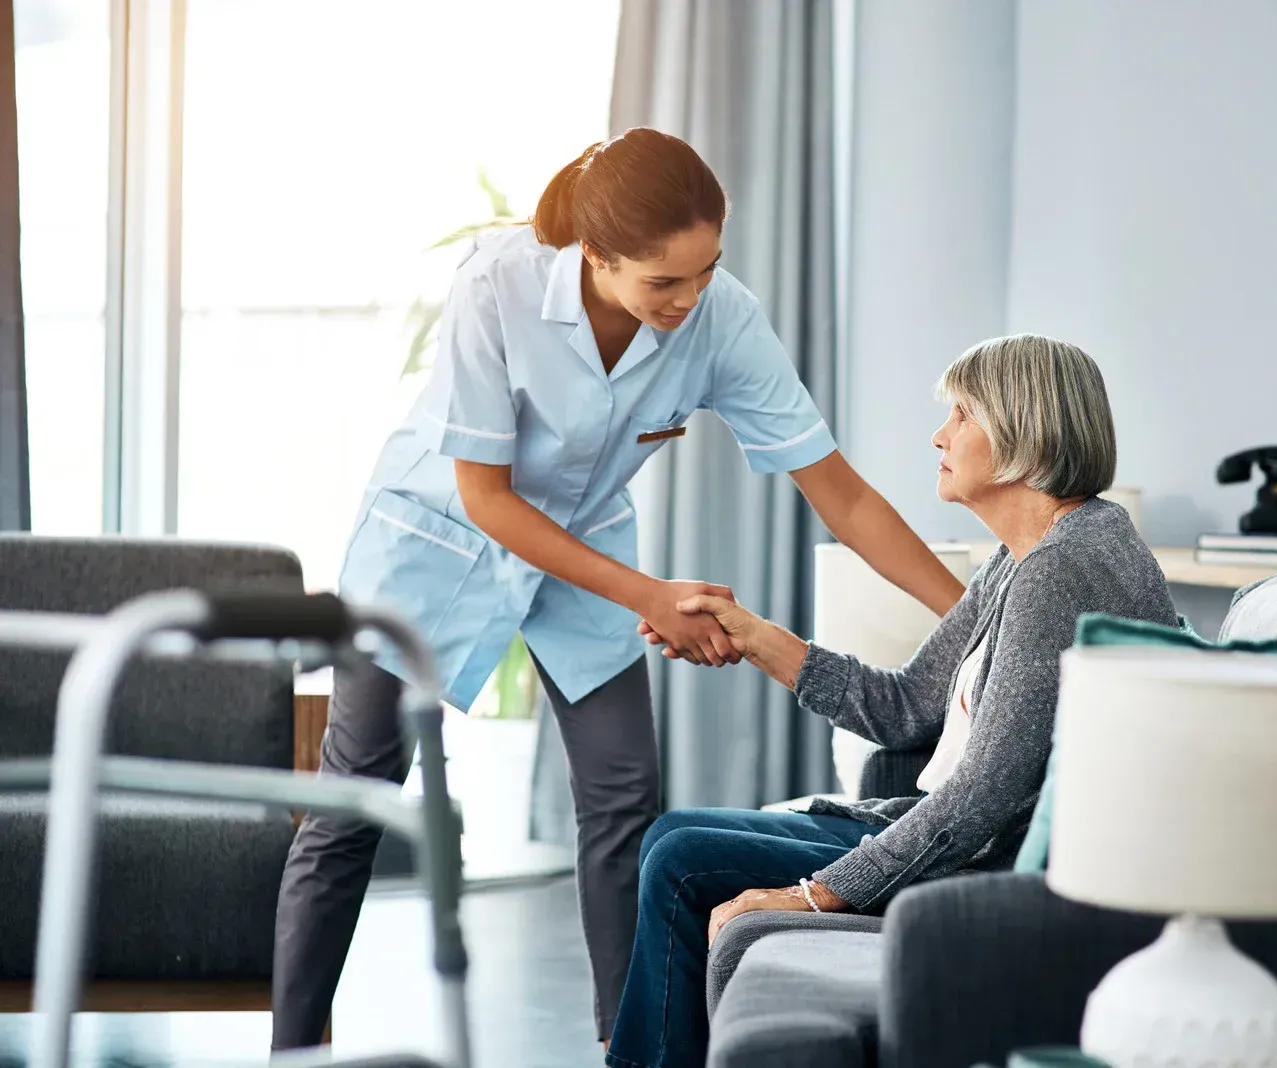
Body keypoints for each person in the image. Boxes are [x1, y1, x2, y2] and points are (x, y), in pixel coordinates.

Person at [270, 127, 967, 1051]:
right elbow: (487, 495)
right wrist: (649, 595)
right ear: (594, 257)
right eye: (664, 283)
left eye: (707, 270)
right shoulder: (498, 283)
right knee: (358, 789)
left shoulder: (719, 314)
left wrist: (974, 615)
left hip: (590, 546)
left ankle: (625, 1046)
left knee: (622, 796)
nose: (690, 300)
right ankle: (293, 1045)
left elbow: (838, 492)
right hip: (438, 542)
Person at [603, 334, 1181, 1068]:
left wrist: (819, 895)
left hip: (979, 870)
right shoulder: (1026, 555)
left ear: (1025, 435)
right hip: (944, 838)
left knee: (681, 858)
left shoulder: (1060, 571)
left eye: (963, 415)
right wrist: (755, 636)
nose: (940, 435)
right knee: (670, 837)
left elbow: (985, 794)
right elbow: (906, 706)